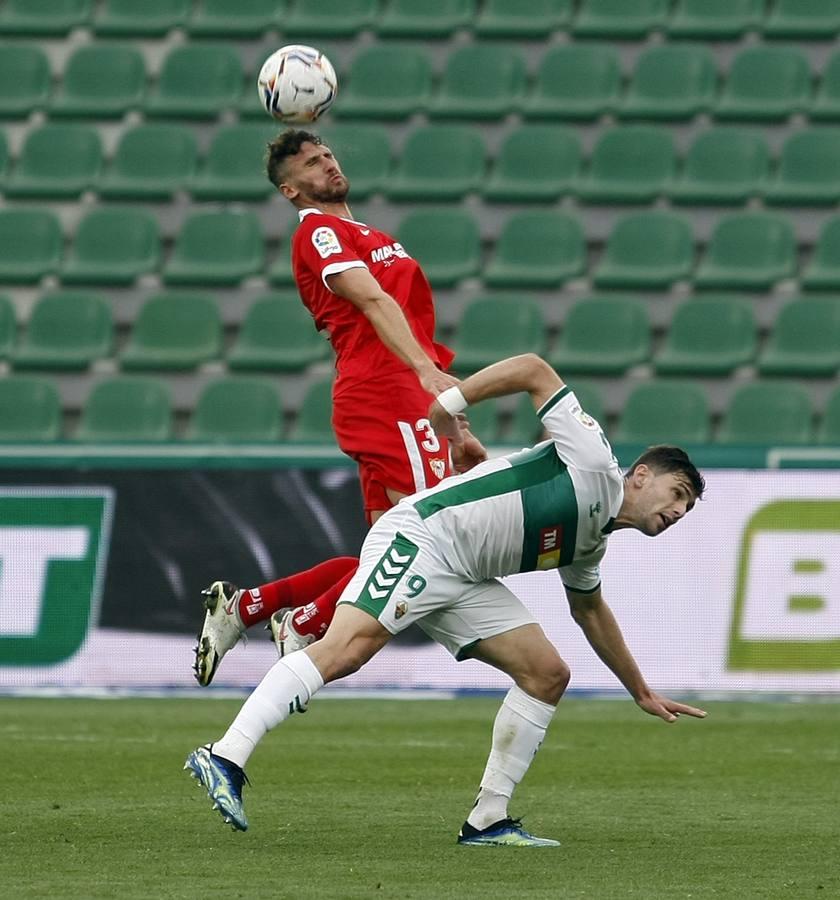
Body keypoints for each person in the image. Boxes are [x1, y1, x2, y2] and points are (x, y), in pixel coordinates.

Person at [185, 353, 707, 843]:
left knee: (547, 674)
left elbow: (589, 611)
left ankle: (488, 819)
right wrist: (449, 404)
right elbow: (533, 369)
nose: (679, 511)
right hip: (424, 536)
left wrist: (640, 691)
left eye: (687, 507)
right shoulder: (594, 462)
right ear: (642, 476)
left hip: (463, 577)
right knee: (345, 650)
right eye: (677, 493)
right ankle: (225, 755)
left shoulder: (591, 543)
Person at [193, 129, 487, 687]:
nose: (327, 163)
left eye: (327, 154)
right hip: (385, 393)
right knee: (437, 536)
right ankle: (303, 623)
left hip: (405, 394)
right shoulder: (318, 231)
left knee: (389, 556)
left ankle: (247, 606)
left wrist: (451, 422)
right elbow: (371, 300)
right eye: (310, 163)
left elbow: (413, 329)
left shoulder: (370, 234)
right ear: (290, 189)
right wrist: (426, 377)